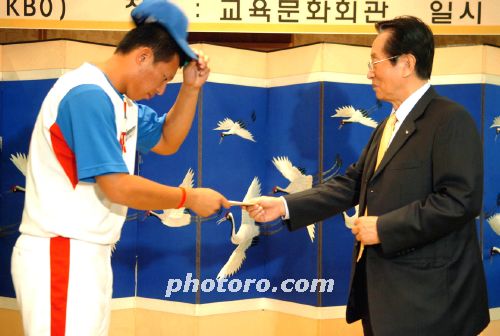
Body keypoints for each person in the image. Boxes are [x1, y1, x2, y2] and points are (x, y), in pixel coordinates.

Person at [247, 16, 489, 336]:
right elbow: (351, 184)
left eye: (376, 61)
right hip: (384, 300)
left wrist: (385, 227)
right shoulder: (386, 127)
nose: (369, 71)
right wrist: (285, 206)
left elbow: (460, 201)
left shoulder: (450, 120)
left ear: (406, 63)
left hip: (431, 305)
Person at [10, 0, 229, 335]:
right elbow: (117, 186)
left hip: (85, 254)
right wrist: (188, 198)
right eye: (164, 78)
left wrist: (190, 88)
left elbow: (168, 140)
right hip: (62, 251)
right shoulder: (87, 95)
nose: (160, 90)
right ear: (142, 56)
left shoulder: (119, 102)